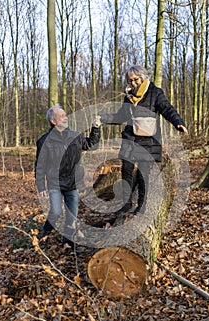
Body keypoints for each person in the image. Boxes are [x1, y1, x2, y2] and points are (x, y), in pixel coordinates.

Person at [98, 65, 188, 215]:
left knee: (142, 173)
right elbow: (121, 116)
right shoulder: (128, 96)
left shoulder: (155, 93)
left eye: (135, 80)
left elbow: (167, 109)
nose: (132, 84)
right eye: (129, 81)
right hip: (130, 139)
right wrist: (103, 118)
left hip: (148, 140)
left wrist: (178, 122)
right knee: (126, 170)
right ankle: (126, 204)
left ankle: (142, 205)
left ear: (143, 78)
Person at [35, 105, 101, 247]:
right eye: (62, 116)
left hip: (73, 184)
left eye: (65, 115)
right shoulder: (44, 141)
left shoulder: (75, 136)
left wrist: (95, 128)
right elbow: (40, 166)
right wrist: (41, 187)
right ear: (53, 121)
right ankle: (43, 236)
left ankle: (68, 244)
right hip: (55, 184)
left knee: (72, 217)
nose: (66, 118)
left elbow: (90, 145)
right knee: (56, 212)